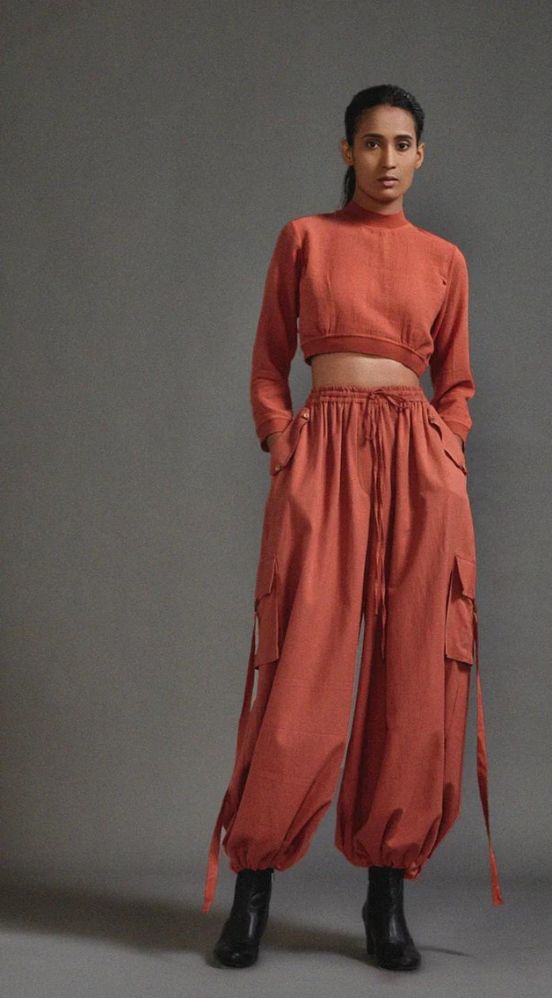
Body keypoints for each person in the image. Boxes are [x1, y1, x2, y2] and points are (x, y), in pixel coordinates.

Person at [201, 83, 504, 972]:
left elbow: (458, 382)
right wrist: (282, 442)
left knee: (413, 677)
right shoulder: (304, 239)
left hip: (417, 465)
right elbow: (268, 362)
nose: (387, 159)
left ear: (421, 156)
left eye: (402, 144)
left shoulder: (444, 259)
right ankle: (252, 890)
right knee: (301, 671)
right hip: (324, 454)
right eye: (371, 143)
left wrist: (446, 450)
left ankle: (385, 902)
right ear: (346, 152)